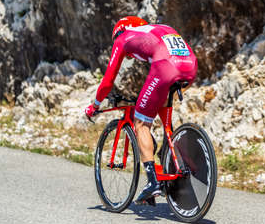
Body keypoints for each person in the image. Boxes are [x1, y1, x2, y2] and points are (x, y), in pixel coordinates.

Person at [85, 16, 198, 204]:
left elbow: (107, 82)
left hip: (165, 66)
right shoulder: (159, 27)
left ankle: (152, 182)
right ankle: (168, 152)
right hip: (190, 66)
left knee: (141, 122)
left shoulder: (123, 37)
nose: (129, 56)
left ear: (122, 30)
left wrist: (94, 106)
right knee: (162, 112)